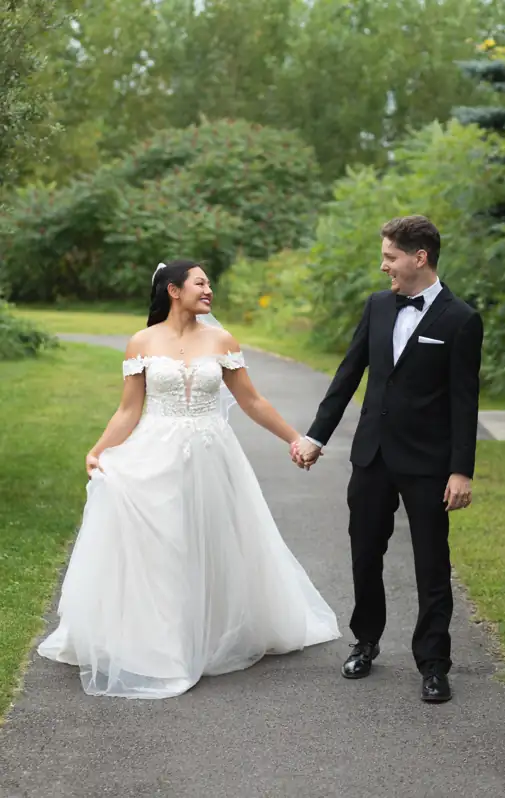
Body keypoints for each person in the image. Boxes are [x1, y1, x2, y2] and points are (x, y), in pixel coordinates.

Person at [38, 260, 340, 699]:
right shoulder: (142, 342)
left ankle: (211, 630)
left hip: (212, 455)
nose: (209, 290)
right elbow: (129, 410)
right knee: (163, 544)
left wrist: (295, 438)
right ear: (174, 290)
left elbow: (252, 401)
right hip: (155, 451)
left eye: (210, 283)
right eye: (201, 283)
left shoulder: (221, 340)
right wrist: (99, 450)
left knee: (209, 540)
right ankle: (165, 643)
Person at [294, 216, 483, 703]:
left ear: (419, 257)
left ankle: (434, 663)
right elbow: (348, 374)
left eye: (390, 257)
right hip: (372, 456)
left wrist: (461, 469)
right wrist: (317, 436)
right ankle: (366, 640)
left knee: (431, 563)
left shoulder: (461, 319)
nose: (384, 267)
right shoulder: (378, 307)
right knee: (364, 553)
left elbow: (465, 400)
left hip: (428, 463)